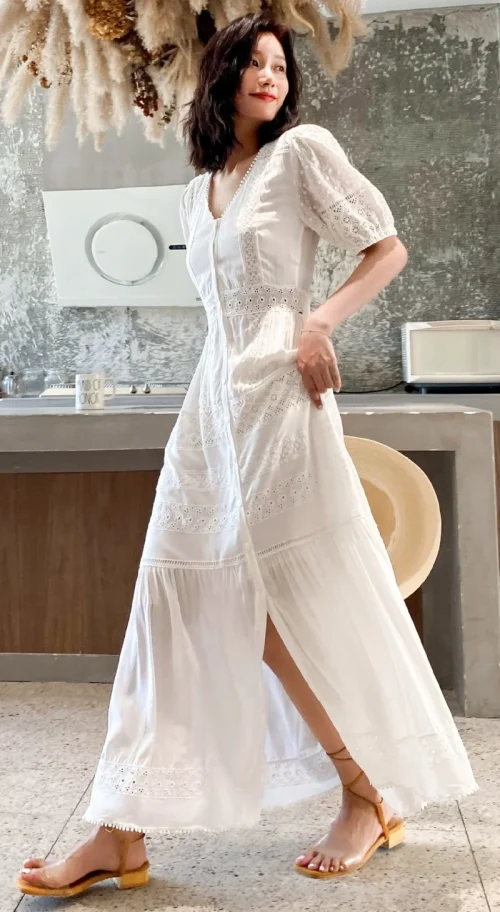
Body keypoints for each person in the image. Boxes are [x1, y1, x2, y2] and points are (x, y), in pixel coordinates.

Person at [18, 12, 477, 899]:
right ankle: (118, 830)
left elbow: (386, 248)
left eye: (281, 65)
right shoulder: (197, 193)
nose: (271, 76)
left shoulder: (301, 152)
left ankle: (366, 793)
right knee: (171, 606)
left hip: (282, 399)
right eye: (253, 62)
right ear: (219, 76)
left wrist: (319, 322)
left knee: (284, 612)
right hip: (210, 410)